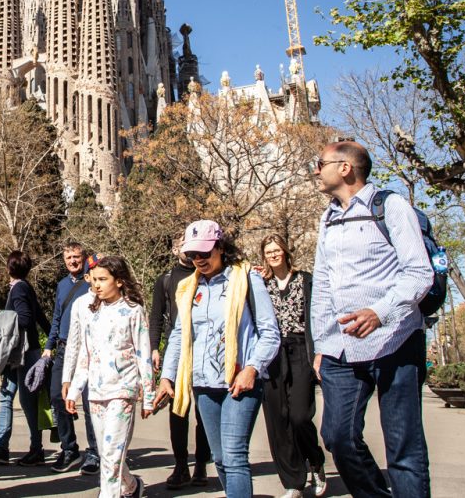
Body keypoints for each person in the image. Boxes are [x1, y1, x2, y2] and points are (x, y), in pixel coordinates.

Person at [310, 141, 433, 497]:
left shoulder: (391, 206)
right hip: (340, 348)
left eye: (321, 163)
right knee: (337, 436)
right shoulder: (328, 217)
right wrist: (321, 345)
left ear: (346, 168)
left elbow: (419, 273)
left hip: (395, 340)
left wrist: (379, 313)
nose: (316, 170)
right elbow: (323, 283)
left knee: (403, 448)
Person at [154, 220, 281, 498]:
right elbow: (179, 335)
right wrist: (167, 377)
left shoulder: (246, 279)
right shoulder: (187, 288)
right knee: (221, 459)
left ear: (220, 247)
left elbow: (270, 332)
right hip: (203, 384)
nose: (198, 259)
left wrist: (252, 369)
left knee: (235, 457)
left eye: (204, 252)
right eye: (192, 254)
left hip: (240, 382)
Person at [66, 255, 154, 498]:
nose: (96, 285)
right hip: (95, 392)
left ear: (119, 281)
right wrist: (74, 389)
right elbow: (85, 354)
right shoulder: (90, 312)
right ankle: (131, 487)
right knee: (107, 454)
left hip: (123, 391)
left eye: (103, 279)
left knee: (113, 456)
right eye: (93, 280)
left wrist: (148, 395)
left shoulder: (133, 311)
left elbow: (143, 353)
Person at [257, 234, 327, 498]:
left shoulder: (305, 280)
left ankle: (315, 460)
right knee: (278, 419)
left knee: (299, 415)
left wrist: (319, 352)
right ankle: (293, 482)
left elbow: (317, 317)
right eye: (269, 251)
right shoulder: (261, 284)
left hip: (300, 350)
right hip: (272, 352)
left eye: (277, 250)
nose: (273, 255)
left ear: (286, 252)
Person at [148, 232, 212, 489]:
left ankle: (201, 466)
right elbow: (156, 317)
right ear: (175, 250)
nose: (186, 250)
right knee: (178, 411)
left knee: (205, 411)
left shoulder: (208, 275)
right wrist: (155, 348)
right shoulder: (165, 280)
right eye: (180, 245)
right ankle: (181, 465)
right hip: (179, 350)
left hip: (205, 350)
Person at [0, 250, 51, 466]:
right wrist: (52, 340)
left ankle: (34, 449)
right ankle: (3, 447)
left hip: (22, 352)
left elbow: (27, 319)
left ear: (9, 268)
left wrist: (2, 317)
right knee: (7, 396)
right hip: (21, 351)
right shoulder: (25, 287)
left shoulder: (18, 289)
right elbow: (39, 315)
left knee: (26, 401)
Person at [43, 242, 100, 475]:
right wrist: (48, 346)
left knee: (88, 402)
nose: (72, 261)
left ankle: (95, 452)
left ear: (83, 258)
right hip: (65, 348)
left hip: (88, 348)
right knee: (57, 395)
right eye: (68, 258)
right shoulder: (61, 285)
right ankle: (70, 448)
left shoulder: (95, 281)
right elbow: (57, 317)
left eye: (76, 257)